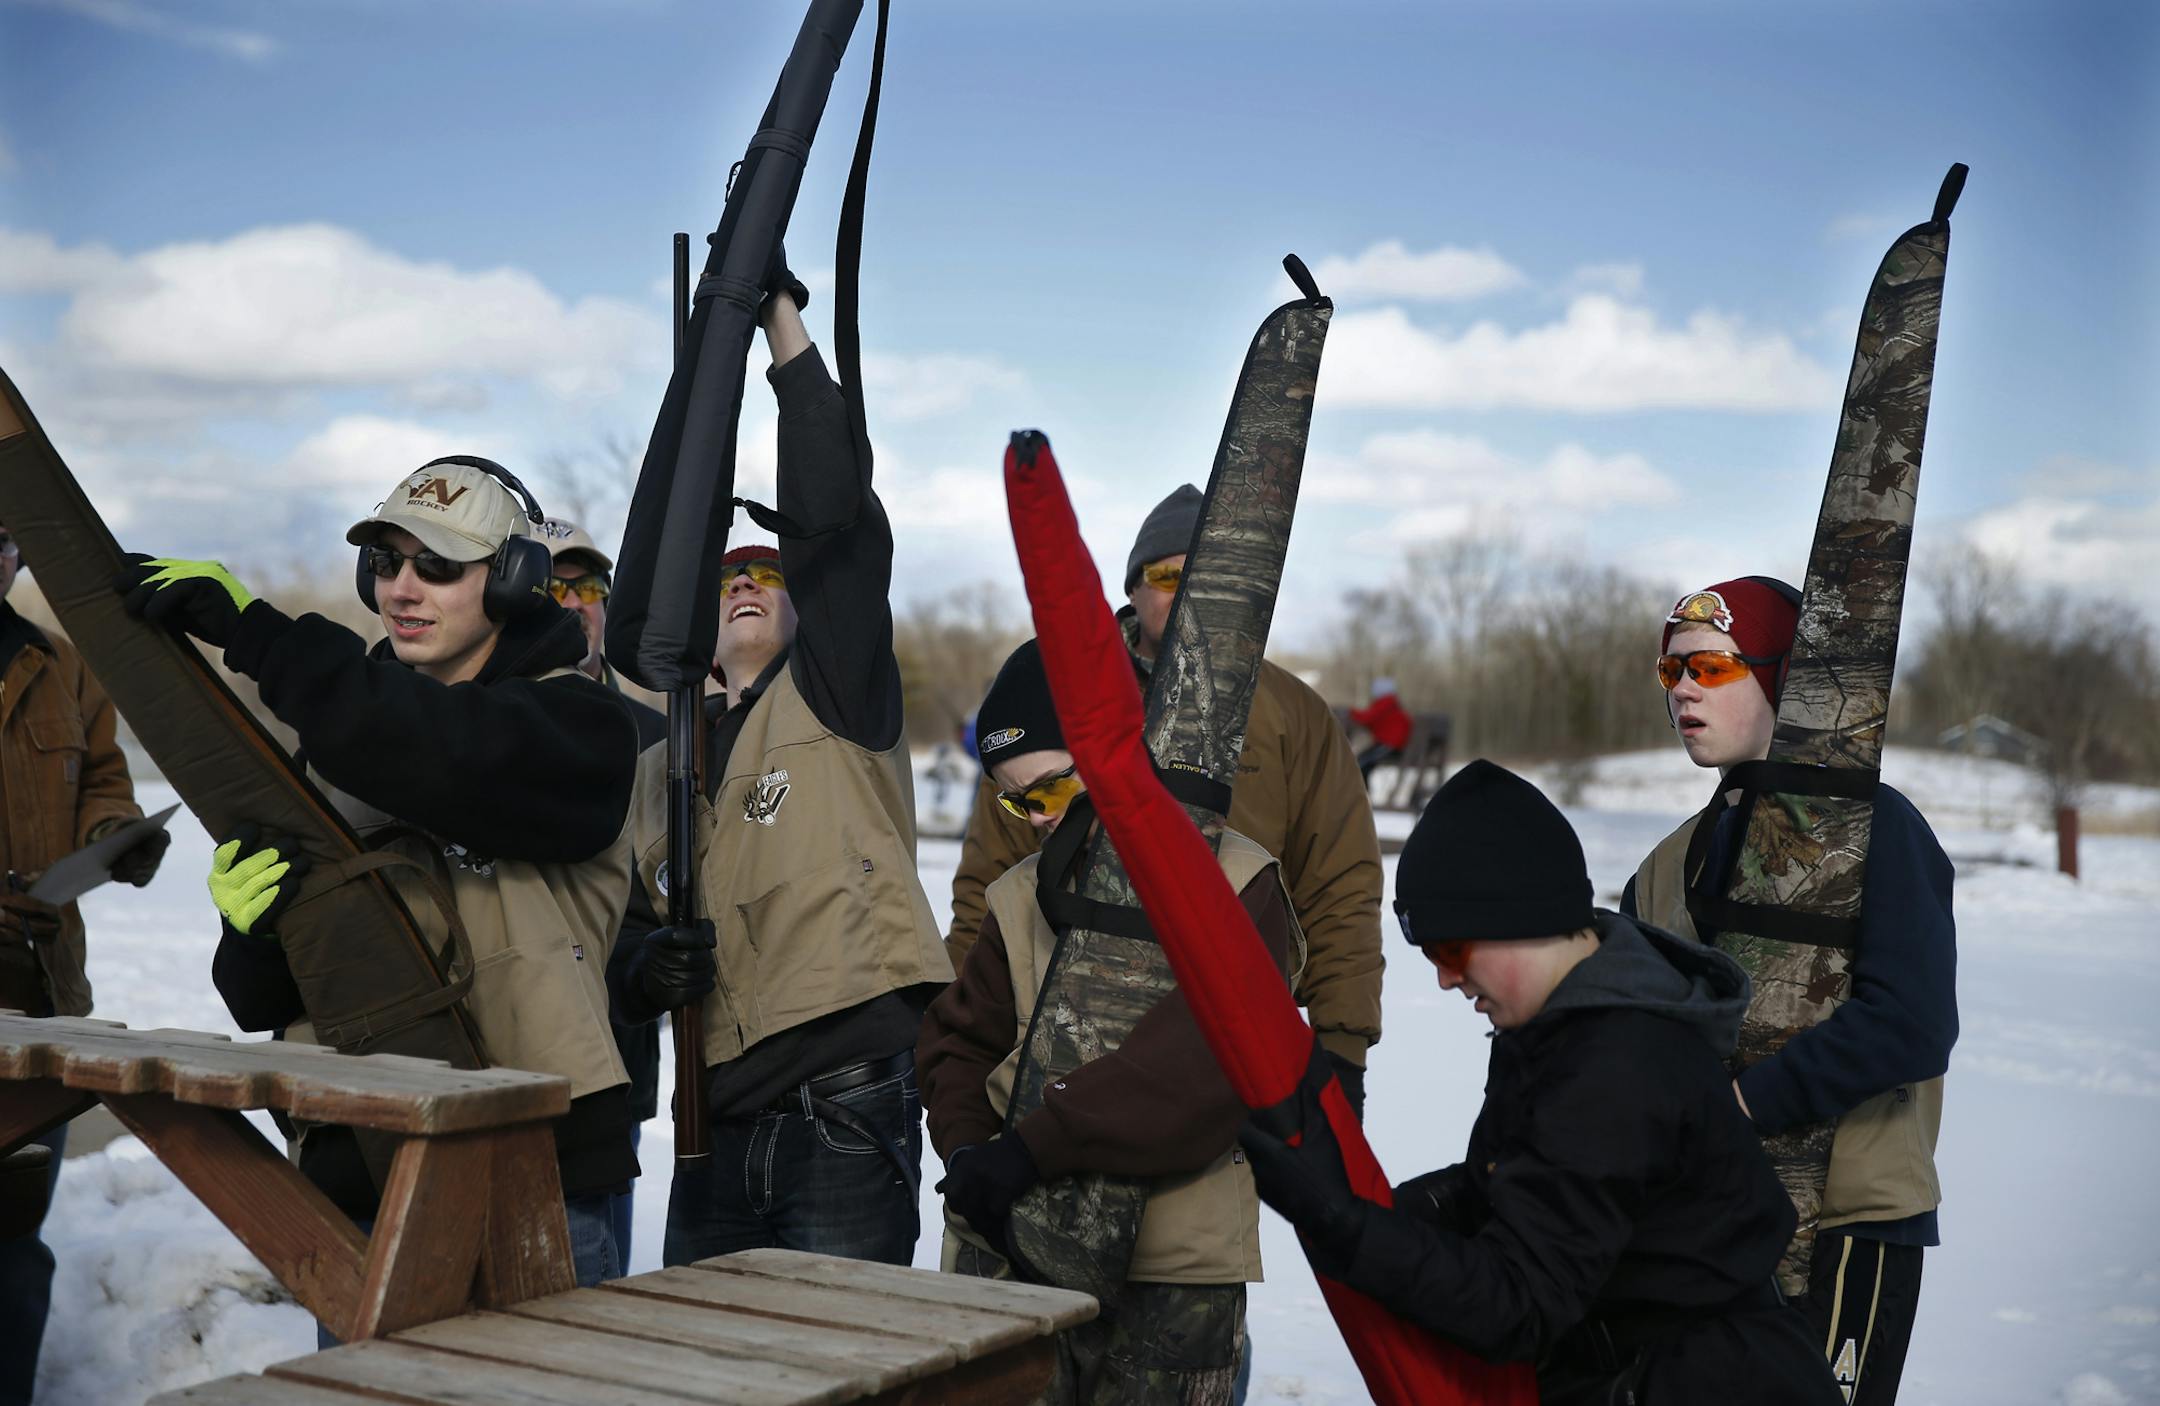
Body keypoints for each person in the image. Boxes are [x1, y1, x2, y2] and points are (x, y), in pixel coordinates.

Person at [116, 458, 642, 1299]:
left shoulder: (580, 729)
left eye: (438, 566)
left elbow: (440, 747)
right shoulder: (334, 748)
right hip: (361, 1166)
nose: (403, 588)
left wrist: (258, 632)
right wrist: (250, 926)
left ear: (512, 583)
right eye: (387, 563)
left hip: (538, 1170)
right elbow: (262, 999)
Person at [1242, 760, 1842, 1404]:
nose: (1446, 980)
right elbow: (1517, 1190)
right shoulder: (1562, 1028)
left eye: (1451, 951)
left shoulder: (1616, 1065)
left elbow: (1516, 1305)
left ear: (1517, 917)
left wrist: (1346, 1226)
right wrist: (1376, 1206)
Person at [611, 279, 951, 1269]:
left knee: (847, 1363)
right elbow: (623, 931)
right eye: (725, 576)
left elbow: (834, 528)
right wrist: (646, 970)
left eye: (768, 572)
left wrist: (779, 324)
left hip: (845, 1094)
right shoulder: (660, 761)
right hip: (715, 1119)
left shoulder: (838, 688)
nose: (749, 580)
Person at [917, 639, 1302, 1401]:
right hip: (1009, 1259)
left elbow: (1198, 1068)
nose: (1035, 819)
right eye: (1015, 799)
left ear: (1114, 755)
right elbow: (958, 1042)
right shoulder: (1017, 894)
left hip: (1172, 1276)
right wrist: (968, 1154)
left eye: (1052, 790)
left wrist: (1031, 1148)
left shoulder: (1236, 882)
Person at [1621, 578, 1957, 1405]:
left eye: (1711, 668)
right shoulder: (1667, 863)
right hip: (1707, 1226)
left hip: (1851, 1218)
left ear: (1785, 678)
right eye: (1672, 674)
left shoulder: (1878, 828)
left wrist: (1745, 1104)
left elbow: (1910, 1024)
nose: (1686, 690)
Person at [946, 483, 1383, 1115]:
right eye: (1166, 574)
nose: (1190, 590)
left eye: (1211, 574)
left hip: (1232, 1047)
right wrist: (964, 1026)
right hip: (1064, 1038)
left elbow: (1339, 886)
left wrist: (1342, 1046)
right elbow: (989, 882)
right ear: (1132, 588)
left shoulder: (1295, 714)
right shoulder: (1056, 696)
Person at [0, 520, 166, 1406]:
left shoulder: (58, 663)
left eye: (1, 539)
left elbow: (103, 780)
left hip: (40, 991)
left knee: (12, 1239)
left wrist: (114, 839)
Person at [540, 514, 666, 1272]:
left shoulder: (658, 737)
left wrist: (648, 968)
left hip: (610, 1068)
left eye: (586, 586)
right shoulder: (474, 720)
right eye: (551, 583)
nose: (570, 600)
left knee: (588, 1301)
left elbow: (674, 900)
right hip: (488, 1070)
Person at [1348, 675, 1412, 781]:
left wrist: (1349, 712)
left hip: (1390, 744)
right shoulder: (1391, 703)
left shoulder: (1385, 702)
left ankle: (1362, 793)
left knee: (1362, 763)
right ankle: (1362, 791)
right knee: (1361, 761)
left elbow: (1366, 717)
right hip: (1388, 743)